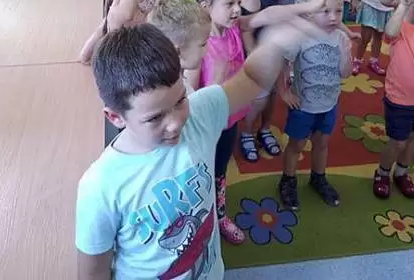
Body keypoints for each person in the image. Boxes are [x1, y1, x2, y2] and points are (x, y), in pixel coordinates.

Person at [76, 16, 319, 279]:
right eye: (155, 118)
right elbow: (93, 273)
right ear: (115, 117)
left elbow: (250, 78)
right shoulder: (100, 187)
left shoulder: (199, 114)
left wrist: (275, 44)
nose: (175, 123)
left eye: (180, 100)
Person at [278, 0, 352, 210]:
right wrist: (284, 91)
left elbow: (345, 73)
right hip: (303, 105)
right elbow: (283, 61)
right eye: (325, 11)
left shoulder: (340, 38)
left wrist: (347, 52)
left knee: (322, 143)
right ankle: (288, 180)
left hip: (329, 103)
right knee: (297, 144)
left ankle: (318, 177)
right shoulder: (301, 36)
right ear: (310, 12)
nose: (333, 17)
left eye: (338, 10)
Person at [196, 0, 254, 244]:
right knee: (202, 172)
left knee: (220, 168)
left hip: (230, 119)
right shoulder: (199, 44)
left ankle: (219, 215)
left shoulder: (233, 30)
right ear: (205, 7)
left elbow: (267, 14)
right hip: (207, 125)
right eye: (229, 3)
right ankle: (199, 219)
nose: (237, 9)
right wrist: (217, 79)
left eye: (238, 2)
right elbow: (193, 96)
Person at [238, 0, 294, 162]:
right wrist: (253, 53)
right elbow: (247, 29)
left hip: (279, 59)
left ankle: (265, 128)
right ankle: (247, 132)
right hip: (261, 60)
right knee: (258, 100)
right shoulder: (259, 1)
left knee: (272, 97)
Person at [373, 0, 414, 199]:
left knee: (412, 140)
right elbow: (389, 32)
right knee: (398, 141)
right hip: (400, 98)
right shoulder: (401, 25)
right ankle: (382, 172)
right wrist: (404, 3)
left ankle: (402, 172)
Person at [148, 0, 211, 94]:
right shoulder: (174, 95)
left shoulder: (179, 81)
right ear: (176, 52)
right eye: (203, 44)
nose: (207, 50)